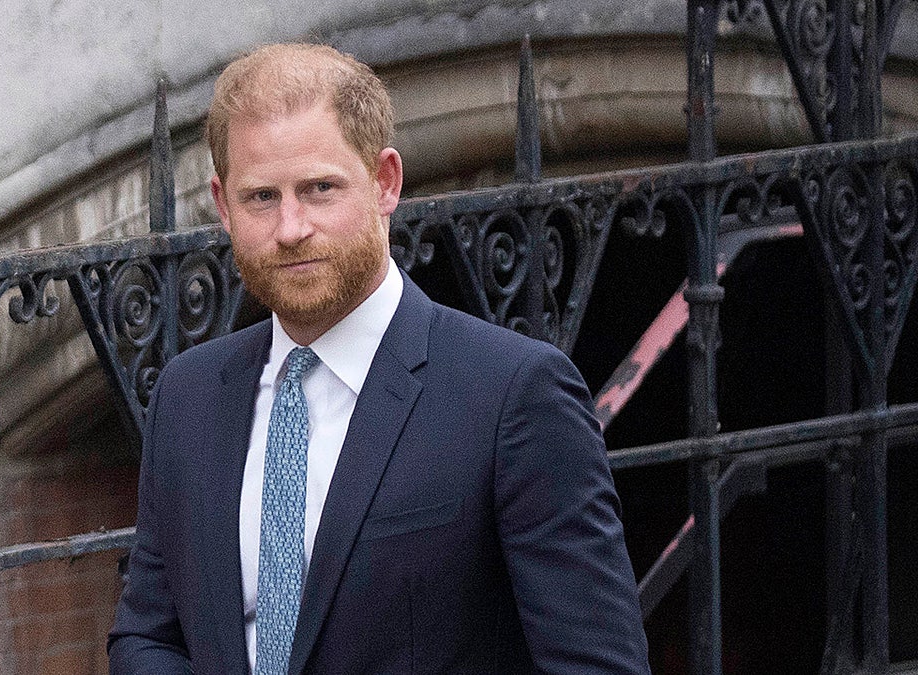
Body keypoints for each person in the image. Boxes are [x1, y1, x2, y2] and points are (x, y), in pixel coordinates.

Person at [108, 43, 650, 674]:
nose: (291, 228)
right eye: (262, 197)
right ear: (222, 204)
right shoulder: (189, 396)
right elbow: (148, 636)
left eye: (320, 189)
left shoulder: (514, 394)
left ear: (385, 181)